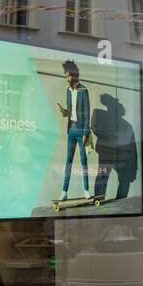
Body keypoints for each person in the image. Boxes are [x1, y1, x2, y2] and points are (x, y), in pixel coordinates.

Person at [55, 59, 91, 201]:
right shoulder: (68, 91)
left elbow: (87, 113)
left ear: (74, 75)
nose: (67, 78)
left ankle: (86, 190)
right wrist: (65, 112)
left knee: (84, 161)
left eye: (68, 75)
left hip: (81, 130)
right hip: (71, 130)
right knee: (68, 161)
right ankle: (64, 191)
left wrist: (86, 133)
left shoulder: (83, 90)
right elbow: (70, 112)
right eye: (65, 76)